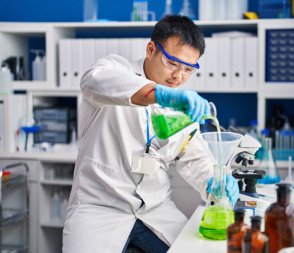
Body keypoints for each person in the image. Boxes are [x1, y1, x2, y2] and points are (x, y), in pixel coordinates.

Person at [62, 15, 239, 253]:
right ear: (151, 49)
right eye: (173, 63)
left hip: (156, 212)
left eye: (188, 69)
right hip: (98, 211)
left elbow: (195, 159)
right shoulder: (115, 69)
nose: (178, 76)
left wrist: (214, 183)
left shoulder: (183, 107)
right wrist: (162, 95)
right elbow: (95, 81)